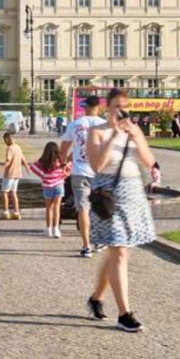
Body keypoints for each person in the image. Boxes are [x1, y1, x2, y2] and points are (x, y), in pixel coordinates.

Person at [84, 88, 157, 333]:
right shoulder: (97, 132)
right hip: (108, 194)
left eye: (125, 105)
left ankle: (96, 298)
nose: (122, 110)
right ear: (107, 107)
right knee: (119, 253)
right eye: (117, 105)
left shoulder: (133, 130)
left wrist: (137, 137)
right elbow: (97, 165)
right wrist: (115, 134)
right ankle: (124, 314)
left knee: (119, 252)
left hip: (132, 192)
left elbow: (148, 161)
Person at [60, 95, 105, 258]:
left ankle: (86, 246)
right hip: (99, 172)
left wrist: (64, 163)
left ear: (85, 107)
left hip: (79, 172)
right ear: (99, 107)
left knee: (83, 209)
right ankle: (98, 240)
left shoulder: (75, 124)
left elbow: (63, 148)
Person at [29, 141, 69, 238]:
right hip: (59, 185)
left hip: (47, 186)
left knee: (49, 209)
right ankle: (56, 229)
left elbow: (33, 167)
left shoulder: (43, 162)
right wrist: (64, 175)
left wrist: (43, 176)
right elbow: (69, 168)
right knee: (56, 208)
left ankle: (49, 229)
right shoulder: (60, 161)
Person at [0, 131, 27, 220]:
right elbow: (23, 158)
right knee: (13, 193)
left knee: (4, 192)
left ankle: (6, 212)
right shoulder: (18, 147)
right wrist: (27, 167)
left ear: (7, 139)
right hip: (17, 174)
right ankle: (16, 213)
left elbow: (8, 161)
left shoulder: (10, 148)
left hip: (10, 174)